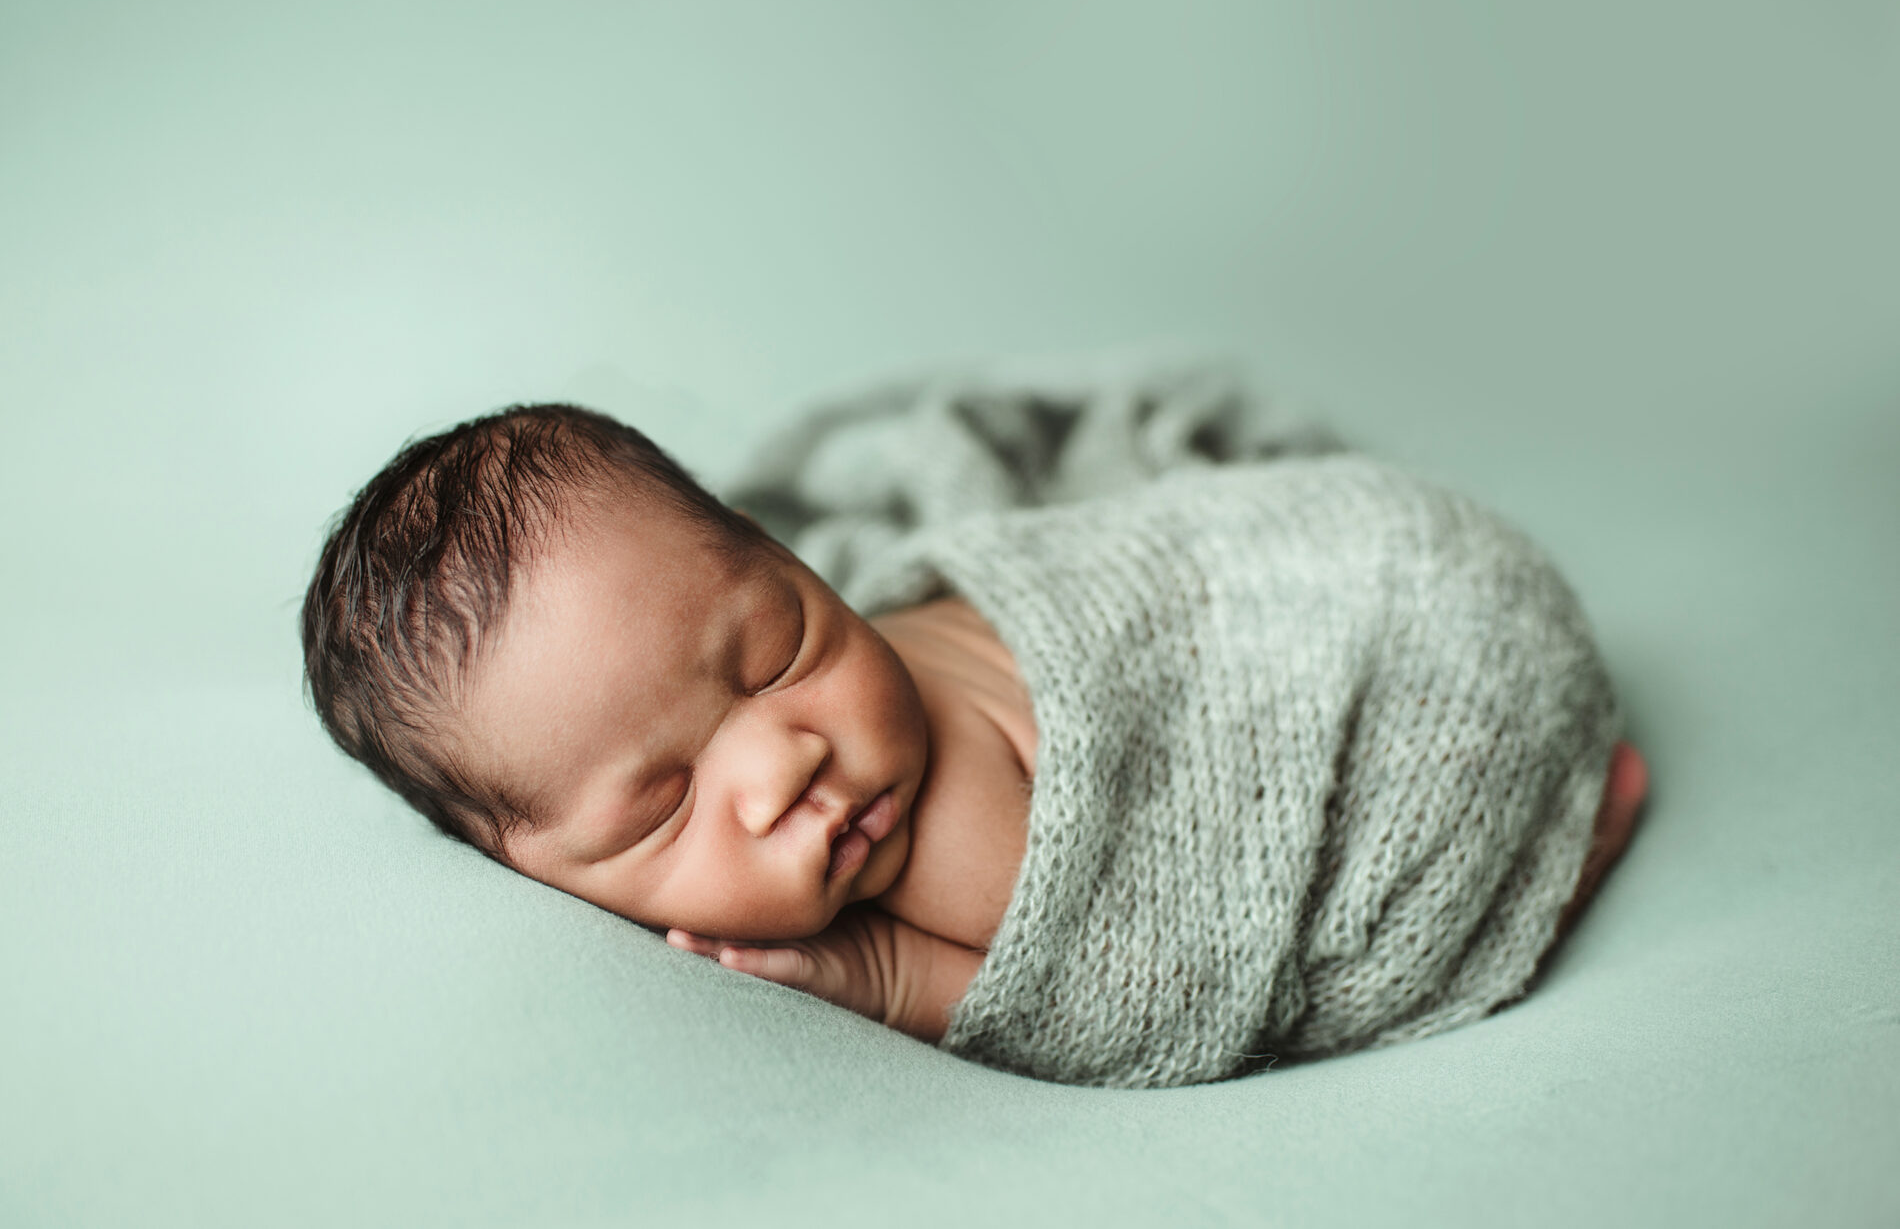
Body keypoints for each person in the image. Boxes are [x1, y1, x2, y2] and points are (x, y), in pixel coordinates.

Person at [302, 391, 1647, 1087]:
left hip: (1428, 635)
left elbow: (1161, 1001)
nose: (783, 769)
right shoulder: (815, 728)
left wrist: (888, 977)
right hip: (1400, 528)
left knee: (1368, 948)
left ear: (794, 561)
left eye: (777, 655)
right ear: (536, 870)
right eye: (663, 808)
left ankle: (1538, 842)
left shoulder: (947, 840)